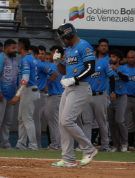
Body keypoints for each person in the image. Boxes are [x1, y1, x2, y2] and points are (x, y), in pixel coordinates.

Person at [52, 23, 97, 168]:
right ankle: (68, 159)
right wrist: (57, 62)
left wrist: (75, 79)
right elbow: (65, 71)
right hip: (69, 89)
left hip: (81, 88)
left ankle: (89, 149)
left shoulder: (84, 46)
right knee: (62, 123)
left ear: (70, 34)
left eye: (64, 38)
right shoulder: (69, 49)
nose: (63, 41)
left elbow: (91, 68)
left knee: (67, 120)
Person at [79, 46, 115, 152]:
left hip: (100, 95)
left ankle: (105, 145)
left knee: (101, 121)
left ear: (94, 52)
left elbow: (112, 77)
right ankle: (86, 146)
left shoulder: (103, 62)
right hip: (87, 95)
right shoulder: (84, 65)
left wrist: (112, 92)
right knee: (87, 122)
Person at [24, 45, 57, 150]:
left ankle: (53, 144)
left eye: (43, 54)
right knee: (35, 120)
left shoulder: (45, 65)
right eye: (40, 53)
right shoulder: (33, 63)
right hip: (32, 93)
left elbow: (54, 74)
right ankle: (37, 145)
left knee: (49, 121)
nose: (41, 56)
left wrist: (47, 84)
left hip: (42, 93)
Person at [0, 39, 18, 149]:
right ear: (7, 48)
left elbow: (16, 76)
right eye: (13, 48)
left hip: (10, 94)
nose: (15, 50)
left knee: (7, 121)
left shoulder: (14, 60)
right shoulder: (0, 58)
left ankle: (5, 143)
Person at [12, 38, 39, 150]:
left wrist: (17, 94)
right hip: (30, 90)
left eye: (17, 46)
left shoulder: (26, 60)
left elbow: (25, 79)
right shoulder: (31, 58)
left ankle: (33, 145)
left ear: (20, 46)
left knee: (27, 119)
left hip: (28, 89)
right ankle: (21, 143)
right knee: (21, 118)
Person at [107, 49, 129, 152]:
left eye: (114, 56)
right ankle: (115, 145)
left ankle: (124, 144)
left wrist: (116, 70)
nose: (111, 58)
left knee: (119, 121)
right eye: (110, 56)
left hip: (121, 97)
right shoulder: (108, 68)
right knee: (111, 123)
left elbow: (126, 79)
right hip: (110, 98)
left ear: (119, 59)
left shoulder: (124, 68)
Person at [44, 45, 65, 150]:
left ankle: (55, 145)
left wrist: (46, 84)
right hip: (63, 95)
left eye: (52, 53)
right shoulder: (64, 65)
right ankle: (58, 144)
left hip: (55, 95)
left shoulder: (53, 65)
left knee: (53, 122)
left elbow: (52, 76)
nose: (51, 55)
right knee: (58, 122)